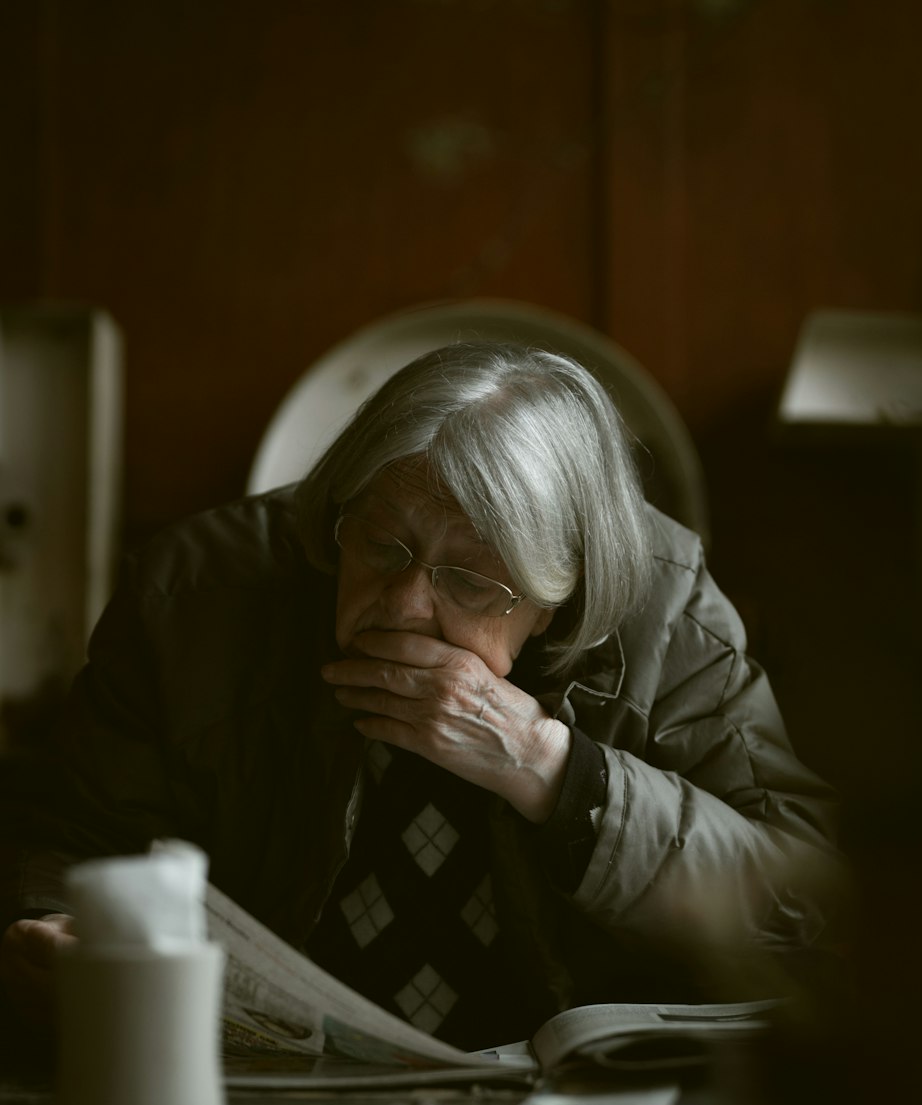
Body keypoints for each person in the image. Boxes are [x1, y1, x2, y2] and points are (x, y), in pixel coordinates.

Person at [0, 342, 844, 1049]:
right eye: (384, 547)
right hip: (267, 1095)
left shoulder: (666, 615)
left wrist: (552, 768)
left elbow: (803, 908)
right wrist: (57, 927)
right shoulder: (194, 591)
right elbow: (77, 834)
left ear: (558, 596)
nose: (405, 606)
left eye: (470, 579)